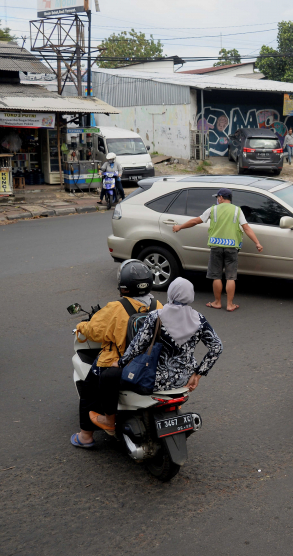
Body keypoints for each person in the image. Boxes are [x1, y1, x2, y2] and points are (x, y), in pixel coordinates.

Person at [71, 260, 163, 448]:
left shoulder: (116, 308)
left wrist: (80, 327)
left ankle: (86, 436)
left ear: (123, 286)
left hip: (119, 363)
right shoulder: (158, 305)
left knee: (89, 389)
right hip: (152, 362)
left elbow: (94, 331)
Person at [119, 278, 222, 401]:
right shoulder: (199, 319)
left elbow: (137, 346)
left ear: (171, 293)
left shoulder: (156, 316)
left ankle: (109, 418)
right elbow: (217, 347)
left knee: (110, 377)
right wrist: (197, 375)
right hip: (185, 379)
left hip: (155, 379)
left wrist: (120, 363)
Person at [172, 188, 263, 312]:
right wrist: (257, 243)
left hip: (216, 247)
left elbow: (195, 221)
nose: (217, 199)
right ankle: (230, 304)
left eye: (217, 197)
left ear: (221, 197)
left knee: (217, 276)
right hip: (232, 247)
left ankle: (217, 302)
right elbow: (246, 228)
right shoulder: (237, 210)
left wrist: (179, 227)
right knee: (231, 277)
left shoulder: (213, 209)